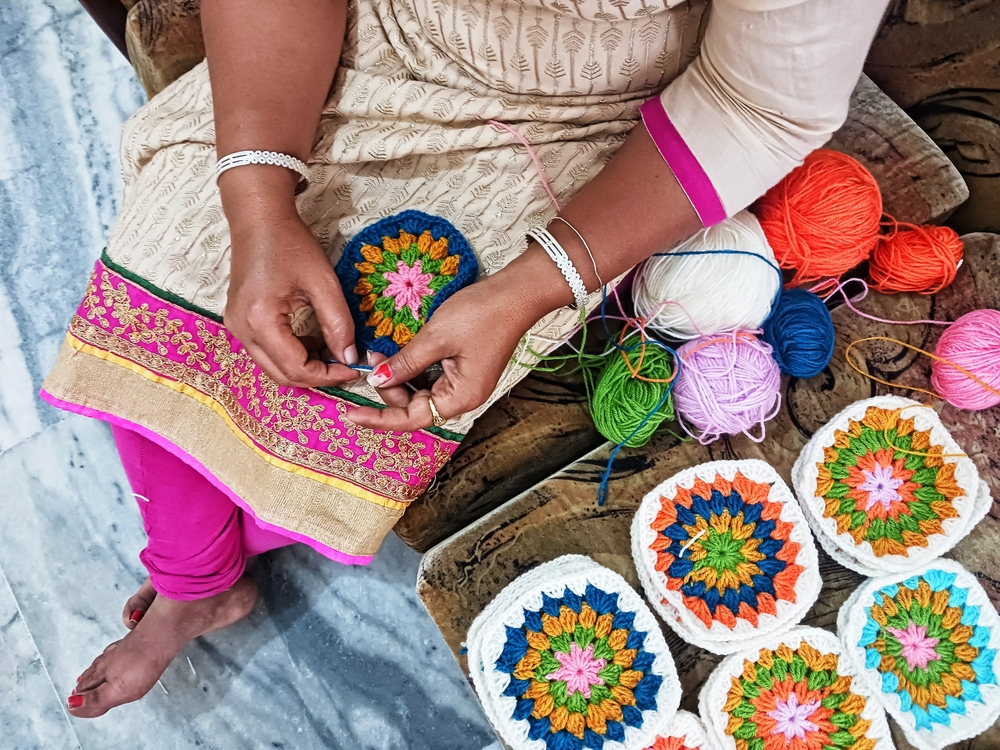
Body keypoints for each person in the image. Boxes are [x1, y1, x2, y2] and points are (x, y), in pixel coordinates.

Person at [48, 0, 889, 718]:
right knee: (179, 270)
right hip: (357, 42)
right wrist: (257, 199)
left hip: (587, 124)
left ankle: (200, 565)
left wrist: (533, 285)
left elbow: (758, 101)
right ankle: (200, 580)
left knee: (382, 383)